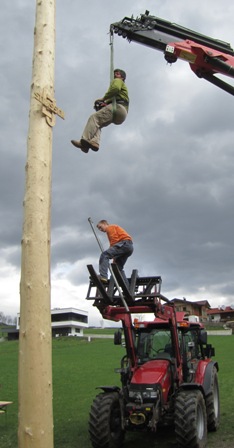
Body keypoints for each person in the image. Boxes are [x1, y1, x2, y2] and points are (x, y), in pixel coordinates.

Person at [71, 69, 129, 153]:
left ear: (122, 77)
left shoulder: (118, 81)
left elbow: (115, 88)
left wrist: (103, 98)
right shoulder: (122, 91)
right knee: (98, 124)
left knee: (94, 118)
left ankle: (84, 140)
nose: (115, 75)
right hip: (121, 114)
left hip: (118, 107)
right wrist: (105, 103)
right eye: (115, 74)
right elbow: (115, 96)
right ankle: (94, 142)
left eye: (118, 74)